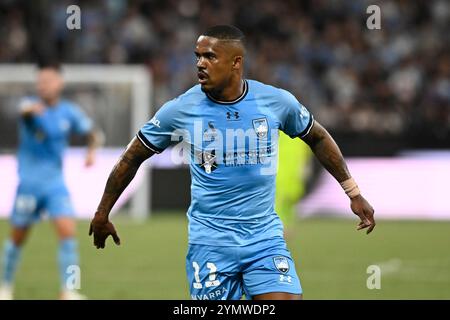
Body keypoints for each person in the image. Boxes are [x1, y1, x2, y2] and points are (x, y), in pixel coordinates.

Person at [89, 25, 375, 300]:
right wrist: (103, 212)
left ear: (236, 62)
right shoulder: (180, 109)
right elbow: (132, 156)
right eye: (197, 56)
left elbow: (319, 137)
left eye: (210, 56)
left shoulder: (275, 102)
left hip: (264, 239)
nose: (200, 63)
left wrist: (353, 191)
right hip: (210, 244)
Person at [0, 62, 101, 300]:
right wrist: (29, 112)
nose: (43, 86)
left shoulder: (69, 111)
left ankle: (68, 290)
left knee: (68, 233)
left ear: (59, 82)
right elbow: (23, 111)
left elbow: (93, 133)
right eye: (40, 82)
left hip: (55, 184)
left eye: (47, 81)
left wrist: (91, 151)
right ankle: (4, 287)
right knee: (17, 238)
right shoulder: (29, 106)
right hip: (29, 184)